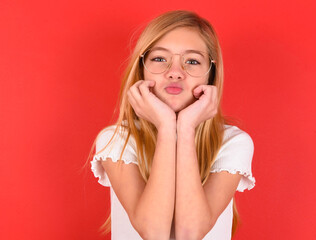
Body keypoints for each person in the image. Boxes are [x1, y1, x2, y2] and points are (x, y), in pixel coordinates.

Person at [89, 10, 255, 240]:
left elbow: (190, 234)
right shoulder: (116, 138)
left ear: (210, 74)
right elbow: (154, 233)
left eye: (192, 61)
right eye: (159, 59)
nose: (175, 73)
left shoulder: (233, 142)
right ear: (141, 69)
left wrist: (184, 128)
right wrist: (167, 127)